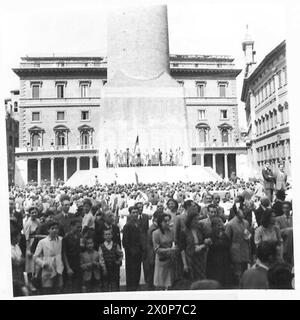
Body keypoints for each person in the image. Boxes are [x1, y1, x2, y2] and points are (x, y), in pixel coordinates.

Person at [33, 221, 64, 295]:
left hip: (59, 267)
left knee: (58, 290)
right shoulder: (42, 242)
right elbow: (35, 257)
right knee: (47, 290)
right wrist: (43, 263)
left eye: (56, 228)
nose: (54, 230)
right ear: (48, 230)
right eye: (52, 228)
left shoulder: (61, 240)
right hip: (48, 268)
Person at [225, 203, 251, 286]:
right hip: (235, 250)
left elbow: (248, 235)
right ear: (237, 211)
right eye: (242, 210)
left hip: (245, 249)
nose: (244, 211)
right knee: (237, 272)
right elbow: (227, 240)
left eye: (244, 209)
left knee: (245, 269)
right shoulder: (230, 224)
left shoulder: (246, 223)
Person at [180, 208, 208, 282]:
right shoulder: (184, 232)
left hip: (200, 257)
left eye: (198, 219)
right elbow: (182, 248)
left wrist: (204, 244)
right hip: (190, 257)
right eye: (195, 220)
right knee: (192, 278)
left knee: (201, 277)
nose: (197, 222)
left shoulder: (200, 229)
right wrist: (184, 264)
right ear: (190, 220)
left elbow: (204, 241)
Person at [152, 213, 178, 290]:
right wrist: (170, 250)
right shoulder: (156, 233)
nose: (167, 223)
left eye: (168, 221)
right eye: (165, 221)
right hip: (161, 260)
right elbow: (156, 249)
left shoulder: (171, 231)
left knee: (170, 283)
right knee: (161, 283)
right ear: (160, 222)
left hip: (171, 260)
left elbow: (174, 242)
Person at [206, 217, 233, 288]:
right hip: (214, 262)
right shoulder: (210, 235)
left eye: (221, 225)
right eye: (218, 225)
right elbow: (213, 246)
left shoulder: (224, 235)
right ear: (213, 226)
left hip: (225, 261)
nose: (220, 227)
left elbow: (228, 245)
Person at [122, 206, 143, 291]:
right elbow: (125, 242)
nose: (135, 214)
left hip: (138, 252)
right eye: (133, 212)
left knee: (137, 271)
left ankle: (136, 288)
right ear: (130, 214)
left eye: (136, 212)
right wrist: (131, 251)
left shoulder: (138, 224)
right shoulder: (127, 226)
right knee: (131, 273)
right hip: (131, 254)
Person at [62, 218, 82, 293]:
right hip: (70, 263)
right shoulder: (66, 237)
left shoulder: (79, 236)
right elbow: (64, 253)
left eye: (80, 227)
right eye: (77, 227)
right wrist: (68, 268)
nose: (79, 229)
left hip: (77, 263)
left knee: (78, 286)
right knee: (70, 287)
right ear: (72, 226)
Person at [23, 206, 40, 289]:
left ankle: (36, 282)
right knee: (30, 265)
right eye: (32, 213)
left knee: (36, 263)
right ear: (29, 214)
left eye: (35, 212)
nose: (34, 214)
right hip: (30, 244)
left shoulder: (38, 221)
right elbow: (27, 238)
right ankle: (29, 283)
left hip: (37, 243)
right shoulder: (28, 223)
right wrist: (28, 249)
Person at [135, 202, 150, 287]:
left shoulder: (145, 217)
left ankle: (147, 279)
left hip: (144, 242)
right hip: (136, 243)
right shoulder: (132, 217)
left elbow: (146, 229)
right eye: (139, 207)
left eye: (142, 207)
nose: (141, 209)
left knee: (146, 262)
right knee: (137, 263)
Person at [146, 211, 161, 290]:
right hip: (153, 253)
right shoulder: (153, 229)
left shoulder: (154, 227)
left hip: (152, 252)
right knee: (152, 272)